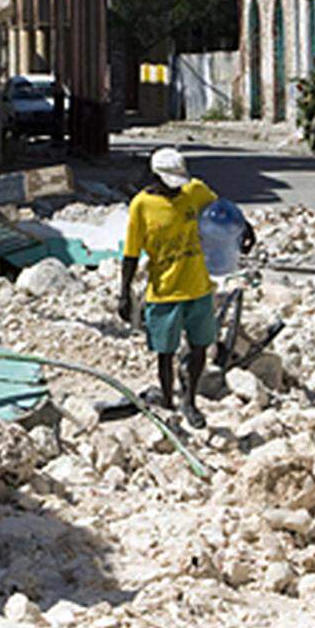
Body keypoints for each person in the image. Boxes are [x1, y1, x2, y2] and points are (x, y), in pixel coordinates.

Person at [118, 148, 254, 429]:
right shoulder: (141, 206)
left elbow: (223, 213)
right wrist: (124, 293)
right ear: (155, 176)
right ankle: (168, 399)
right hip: (164, 292)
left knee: (199, 347)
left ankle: (190, 400)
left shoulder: (195, 191)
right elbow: (131, 254)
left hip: (198, 288)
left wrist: (245, 229)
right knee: (165, 352)